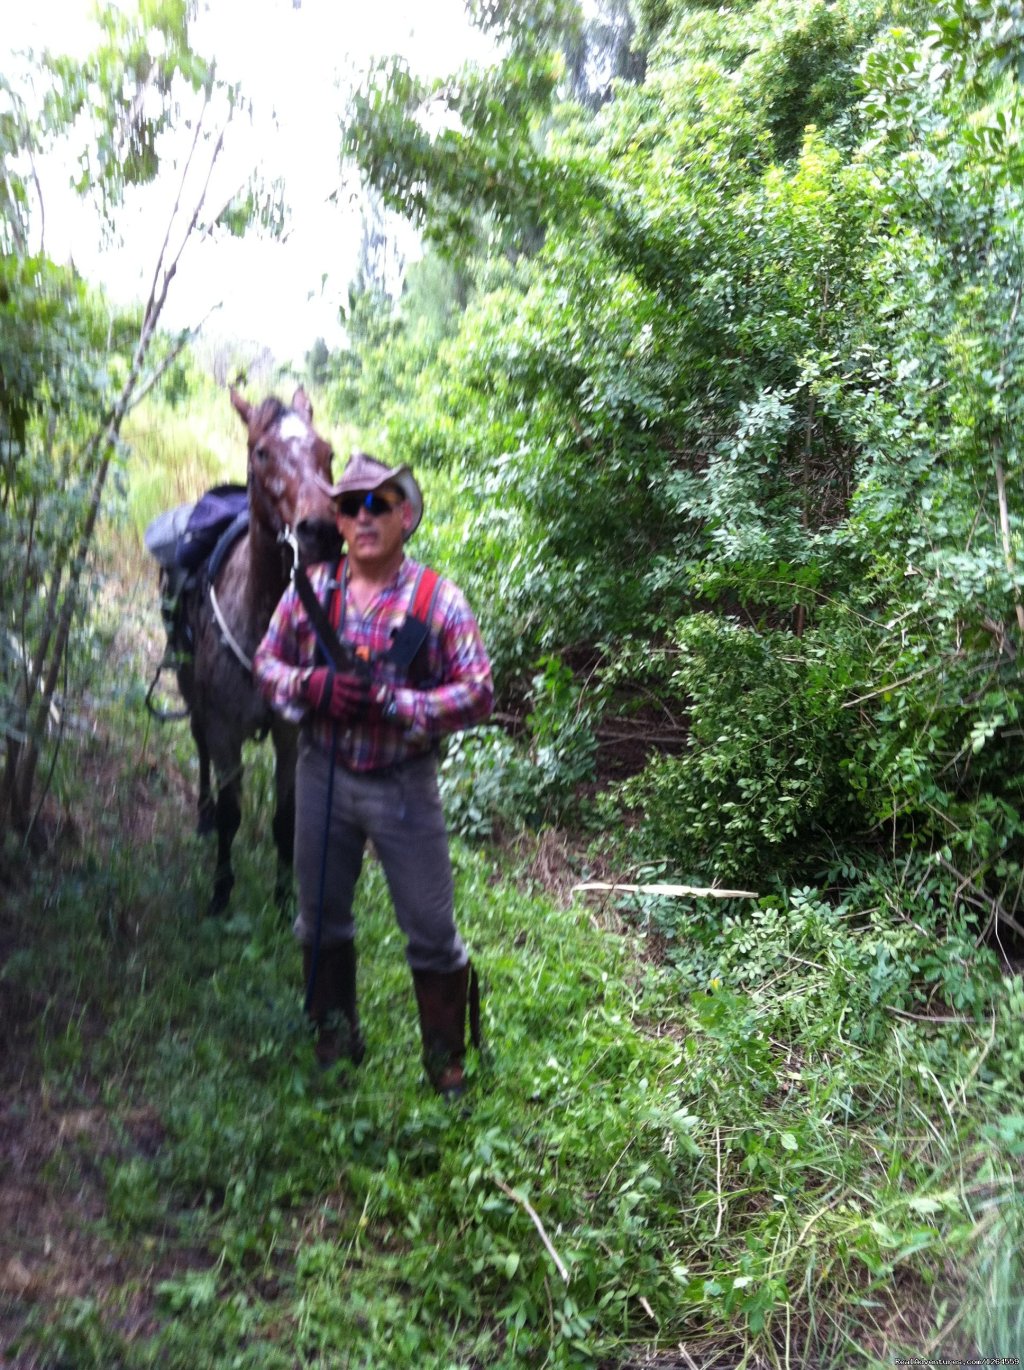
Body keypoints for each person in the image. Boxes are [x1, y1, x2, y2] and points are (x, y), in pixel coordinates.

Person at [253, 452, 493, 1099]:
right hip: (321, 772)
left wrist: (400, 704)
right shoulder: (311, 592)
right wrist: (312, 685)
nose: (363, 517)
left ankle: (446, 1063)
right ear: (336, 516)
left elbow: (478, 691)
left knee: (432, 931)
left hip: (403, 783)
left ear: (405, 515)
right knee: (319, 919)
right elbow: (266, 664)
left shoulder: (436, 600)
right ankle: (335, 1037)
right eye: (350, 505)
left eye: (378, 504)